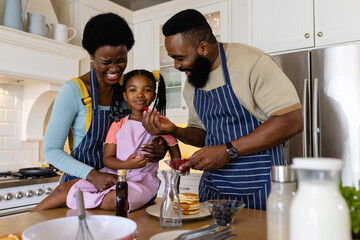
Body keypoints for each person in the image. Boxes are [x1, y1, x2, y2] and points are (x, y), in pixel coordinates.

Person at [142, 9, 303, 210]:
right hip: (214, 190)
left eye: (180, 57)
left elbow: (291, 121)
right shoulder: (192, 84)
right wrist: (174, 130)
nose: (176, 65)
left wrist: (228, 151)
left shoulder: (251, 62)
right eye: (172, 58)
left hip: (262, 189)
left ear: (203, 47)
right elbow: (202, 135)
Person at [42, 13, 168, 193]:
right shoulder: (74, 90)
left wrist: (158, 147)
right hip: (80, 184)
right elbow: (51, 151)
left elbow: (141, 132)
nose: (115, 69)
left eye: (121, 60)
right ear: (92, 56)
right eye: (106, 62)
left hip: (119, 182)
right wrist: (94, 175)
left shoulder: (128, 89)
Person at [32, 69, 181, 212]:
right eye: (133, 90)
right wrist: (126, 165)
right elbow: (108, 158)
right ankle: (24, 225)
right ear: (125, 96)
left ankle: (86, 202)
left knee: (116, 199)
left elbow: (175, 154)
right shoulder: (118, 124)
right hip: (108, 175)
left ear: (154, 95)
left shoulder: (160, 122)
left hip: (141, 181)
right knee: (62, 190)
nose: (140, 95)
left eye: (146, 90)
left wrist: (174, 189)